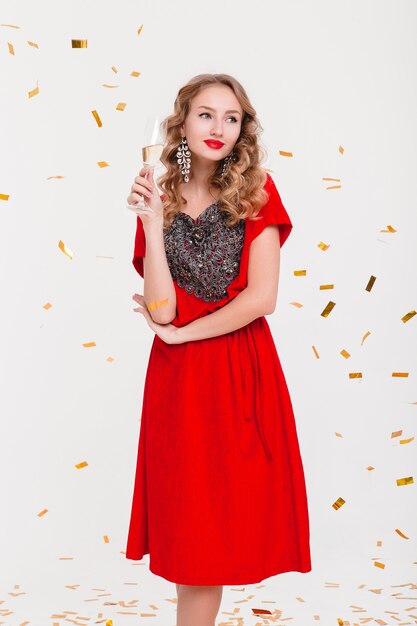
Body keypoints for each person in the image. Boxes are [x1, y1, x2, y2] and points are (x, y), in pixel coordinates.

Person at [125, 73, 312, 626]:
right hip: (179, 381)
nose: (218, 128)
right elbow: (161, 310)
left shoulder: (258, 191)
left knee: (218, 529)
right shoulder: (160, 194)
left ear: (242, 130)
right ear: (181, 123)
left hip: (240, 371)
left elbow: (262, 299)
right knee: (190, 535)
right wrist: (152, 224)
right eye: (206, 115)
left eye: (231, 118)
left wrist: (185, 333)